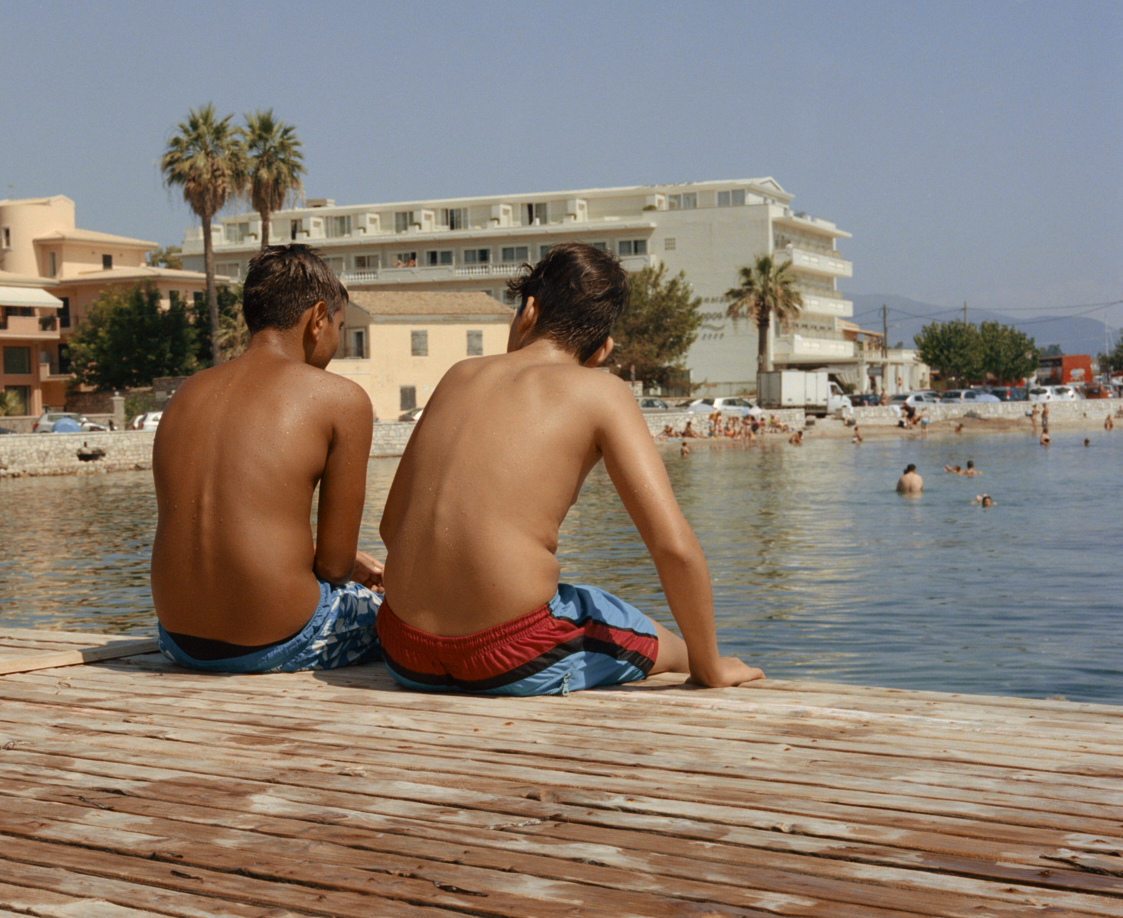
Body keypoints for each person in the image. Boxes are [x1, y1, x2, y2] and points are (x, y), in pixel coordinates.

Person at [375, 243, 761, 698]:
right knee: (633, 626)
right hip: (515, 655)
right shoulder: (602, 392)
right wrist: (707, 666)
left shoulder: (459, 374)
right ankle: (702, 662)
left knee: (584, 603)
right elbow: (673, 548)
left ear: (529, 310)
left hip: (404, 650)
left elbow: (390, 525)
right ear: (603, 349)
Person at [151, 244, 382, 674]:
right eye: (339, 326)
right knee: (404, 614)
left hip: (177, 639)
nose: (336, 341)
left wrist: (346, 562)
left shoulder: (186, 394)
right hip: (278, 638)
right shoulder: (340, 398)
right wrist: (348, 566)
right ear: (317, 319)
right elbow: (333, 567)